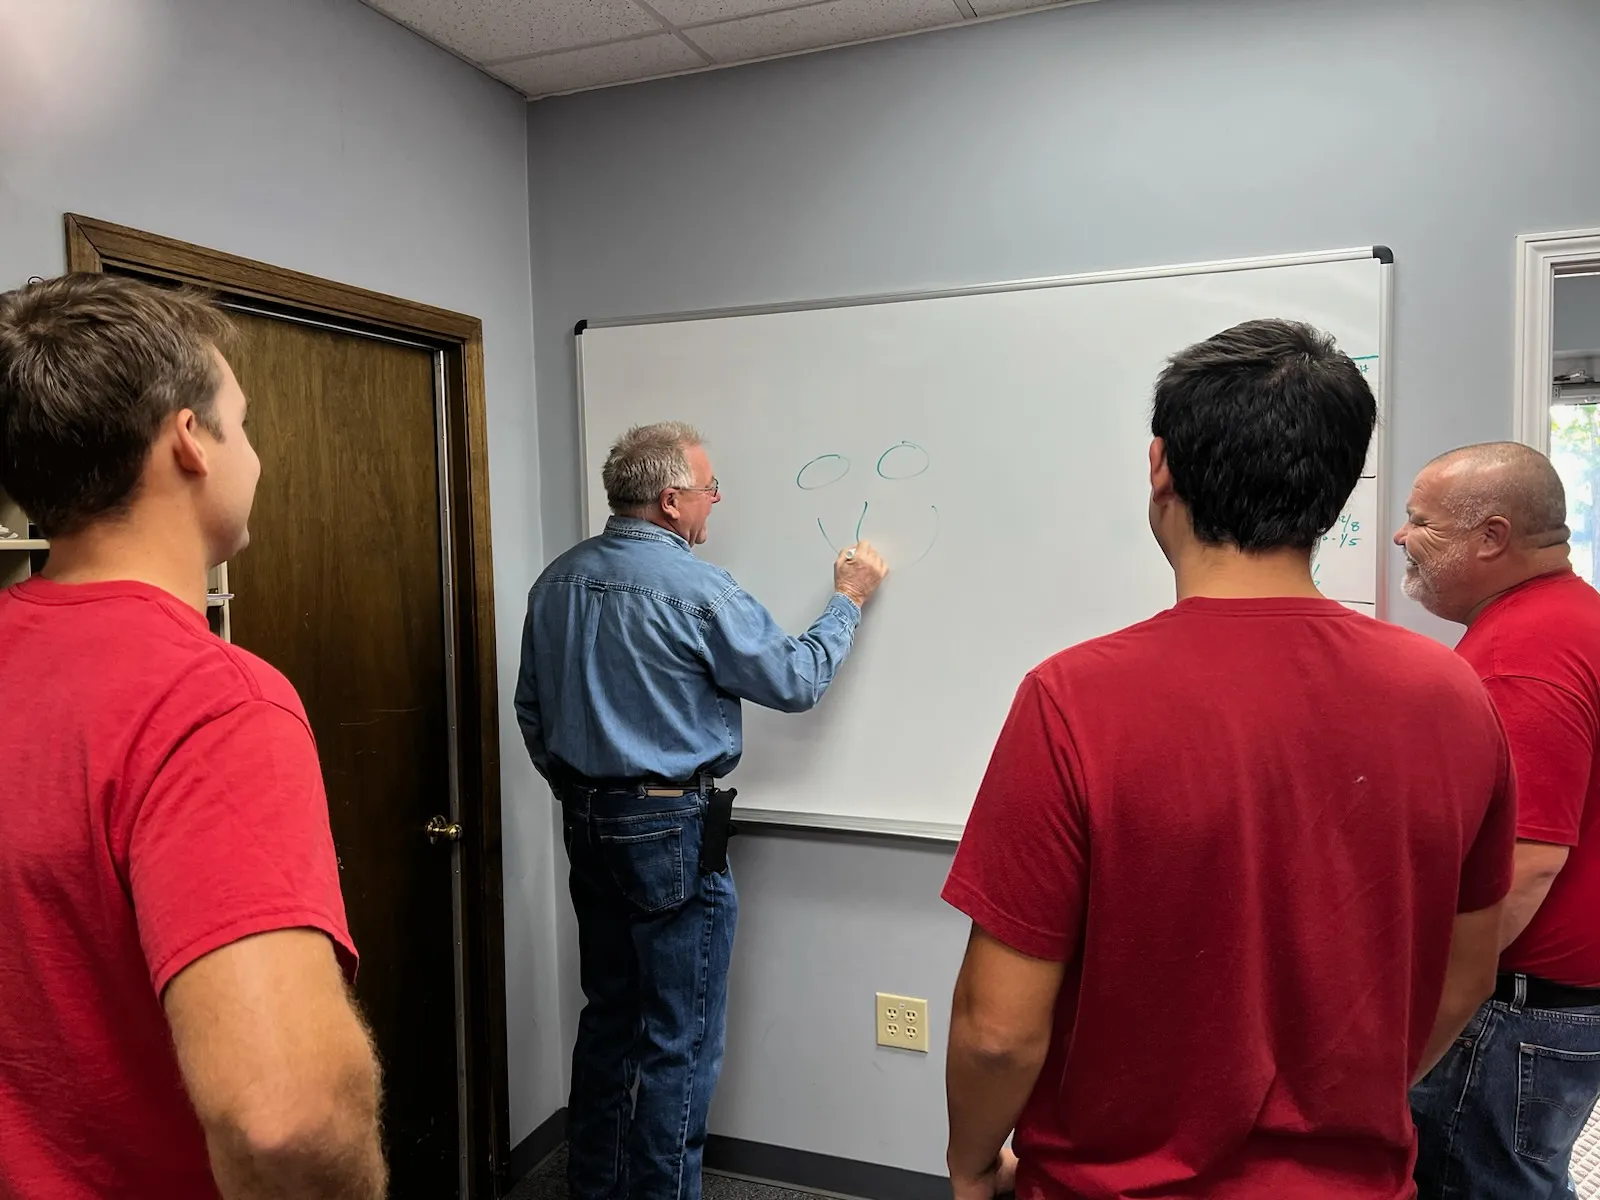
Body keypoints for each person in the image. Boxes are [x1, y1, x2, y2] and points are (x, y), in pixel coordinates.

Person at [941, 319, 1517, 1200]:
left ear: (1159, 465)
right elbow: (1467, 972)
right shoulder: (1452, 695)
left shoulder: (1074, 698)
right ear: (1340, 486)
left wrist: (972, 1164)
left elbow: (996, 1031)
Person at [0, 275, 385, 1200]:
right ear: (188, 442)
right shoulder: (211, 704)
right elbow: (286, 1120)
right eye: (240, 424)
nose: (253, 453)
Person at [515, 421, 888, 1200]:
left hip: (587, 824)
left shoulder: (556, 581)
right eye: (710, 488)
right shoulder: (697, 589)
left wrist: (586, 794)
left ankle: (593, 1189)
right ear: (672, 498)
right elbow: (794, 680)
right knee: (677, 1045)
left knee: (610, 1021)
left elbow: (533, 714)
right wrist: (848, 599)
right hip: (670, 832)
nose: (716, 501)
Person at [1400, 442, 1600, 1199]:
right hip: (1553, 1008)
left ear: (1490, 536)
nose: (1400, 537)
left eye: (1420, 522)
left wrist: (1432, 1000)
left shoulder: (1527, 650)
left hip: (1518, 1013)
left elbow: (1527, 860)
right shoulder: (1567, 617)